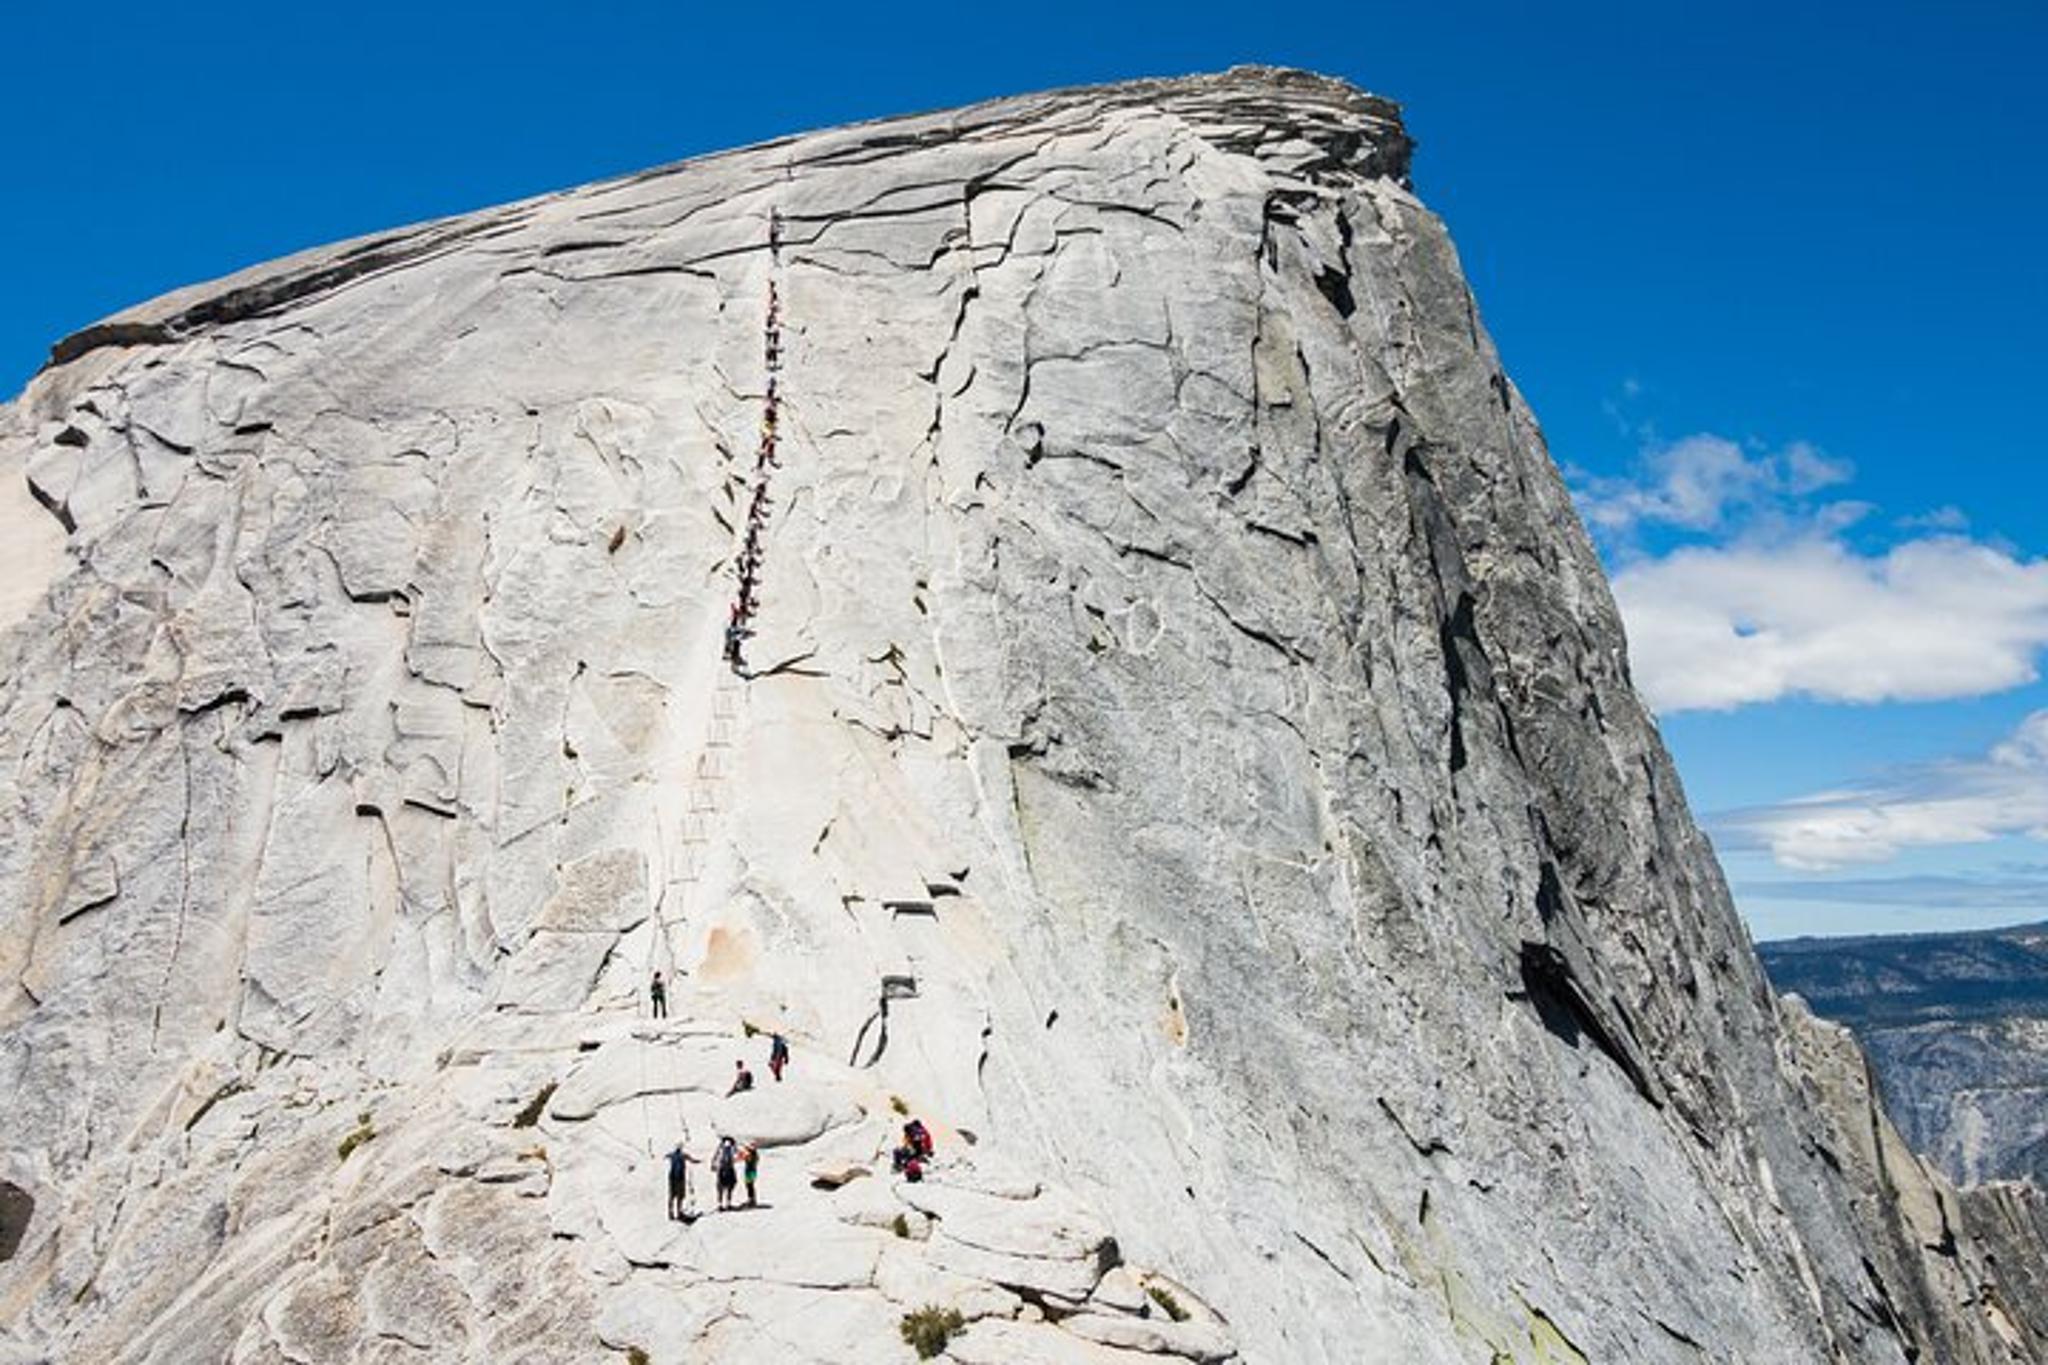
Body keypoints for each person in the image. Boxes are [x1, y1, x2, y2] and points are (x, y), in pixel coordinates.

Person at [666, 1141, 697, 1221]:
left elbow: (666, 1156)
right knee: (680, 1196)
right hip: (680, 1178)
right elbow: (692, 1160)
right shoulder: (683, 1155)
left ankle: (670, 1213)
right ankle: (679, 1212)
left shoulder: (672, 1155)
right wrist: (698, 1161)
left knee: (672, 1196)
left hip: (672, 1177)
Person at [714, 1135, 739, 1211]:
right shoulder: (731, 1149)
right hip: (729, 1169)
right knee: (729, 1187)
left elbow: (716, 1156)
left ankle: (720, 1204)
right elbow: (736, 1154)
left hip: (722, 1169)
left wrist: (713, 1165)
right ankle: (727, 1204)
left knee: (720, 1188)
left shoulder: (720, 1149)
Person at [741, 1141, 760, 1207]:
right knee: (750, 1185)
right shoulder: (755, 1154)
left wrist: (745, 1154)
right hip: (753, 1171)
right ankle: (752, 1199)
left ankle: (751, 1200)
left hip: (749, 1172)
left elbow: (745, 1158)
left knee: (749, 1185)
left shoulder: (750, 1154)